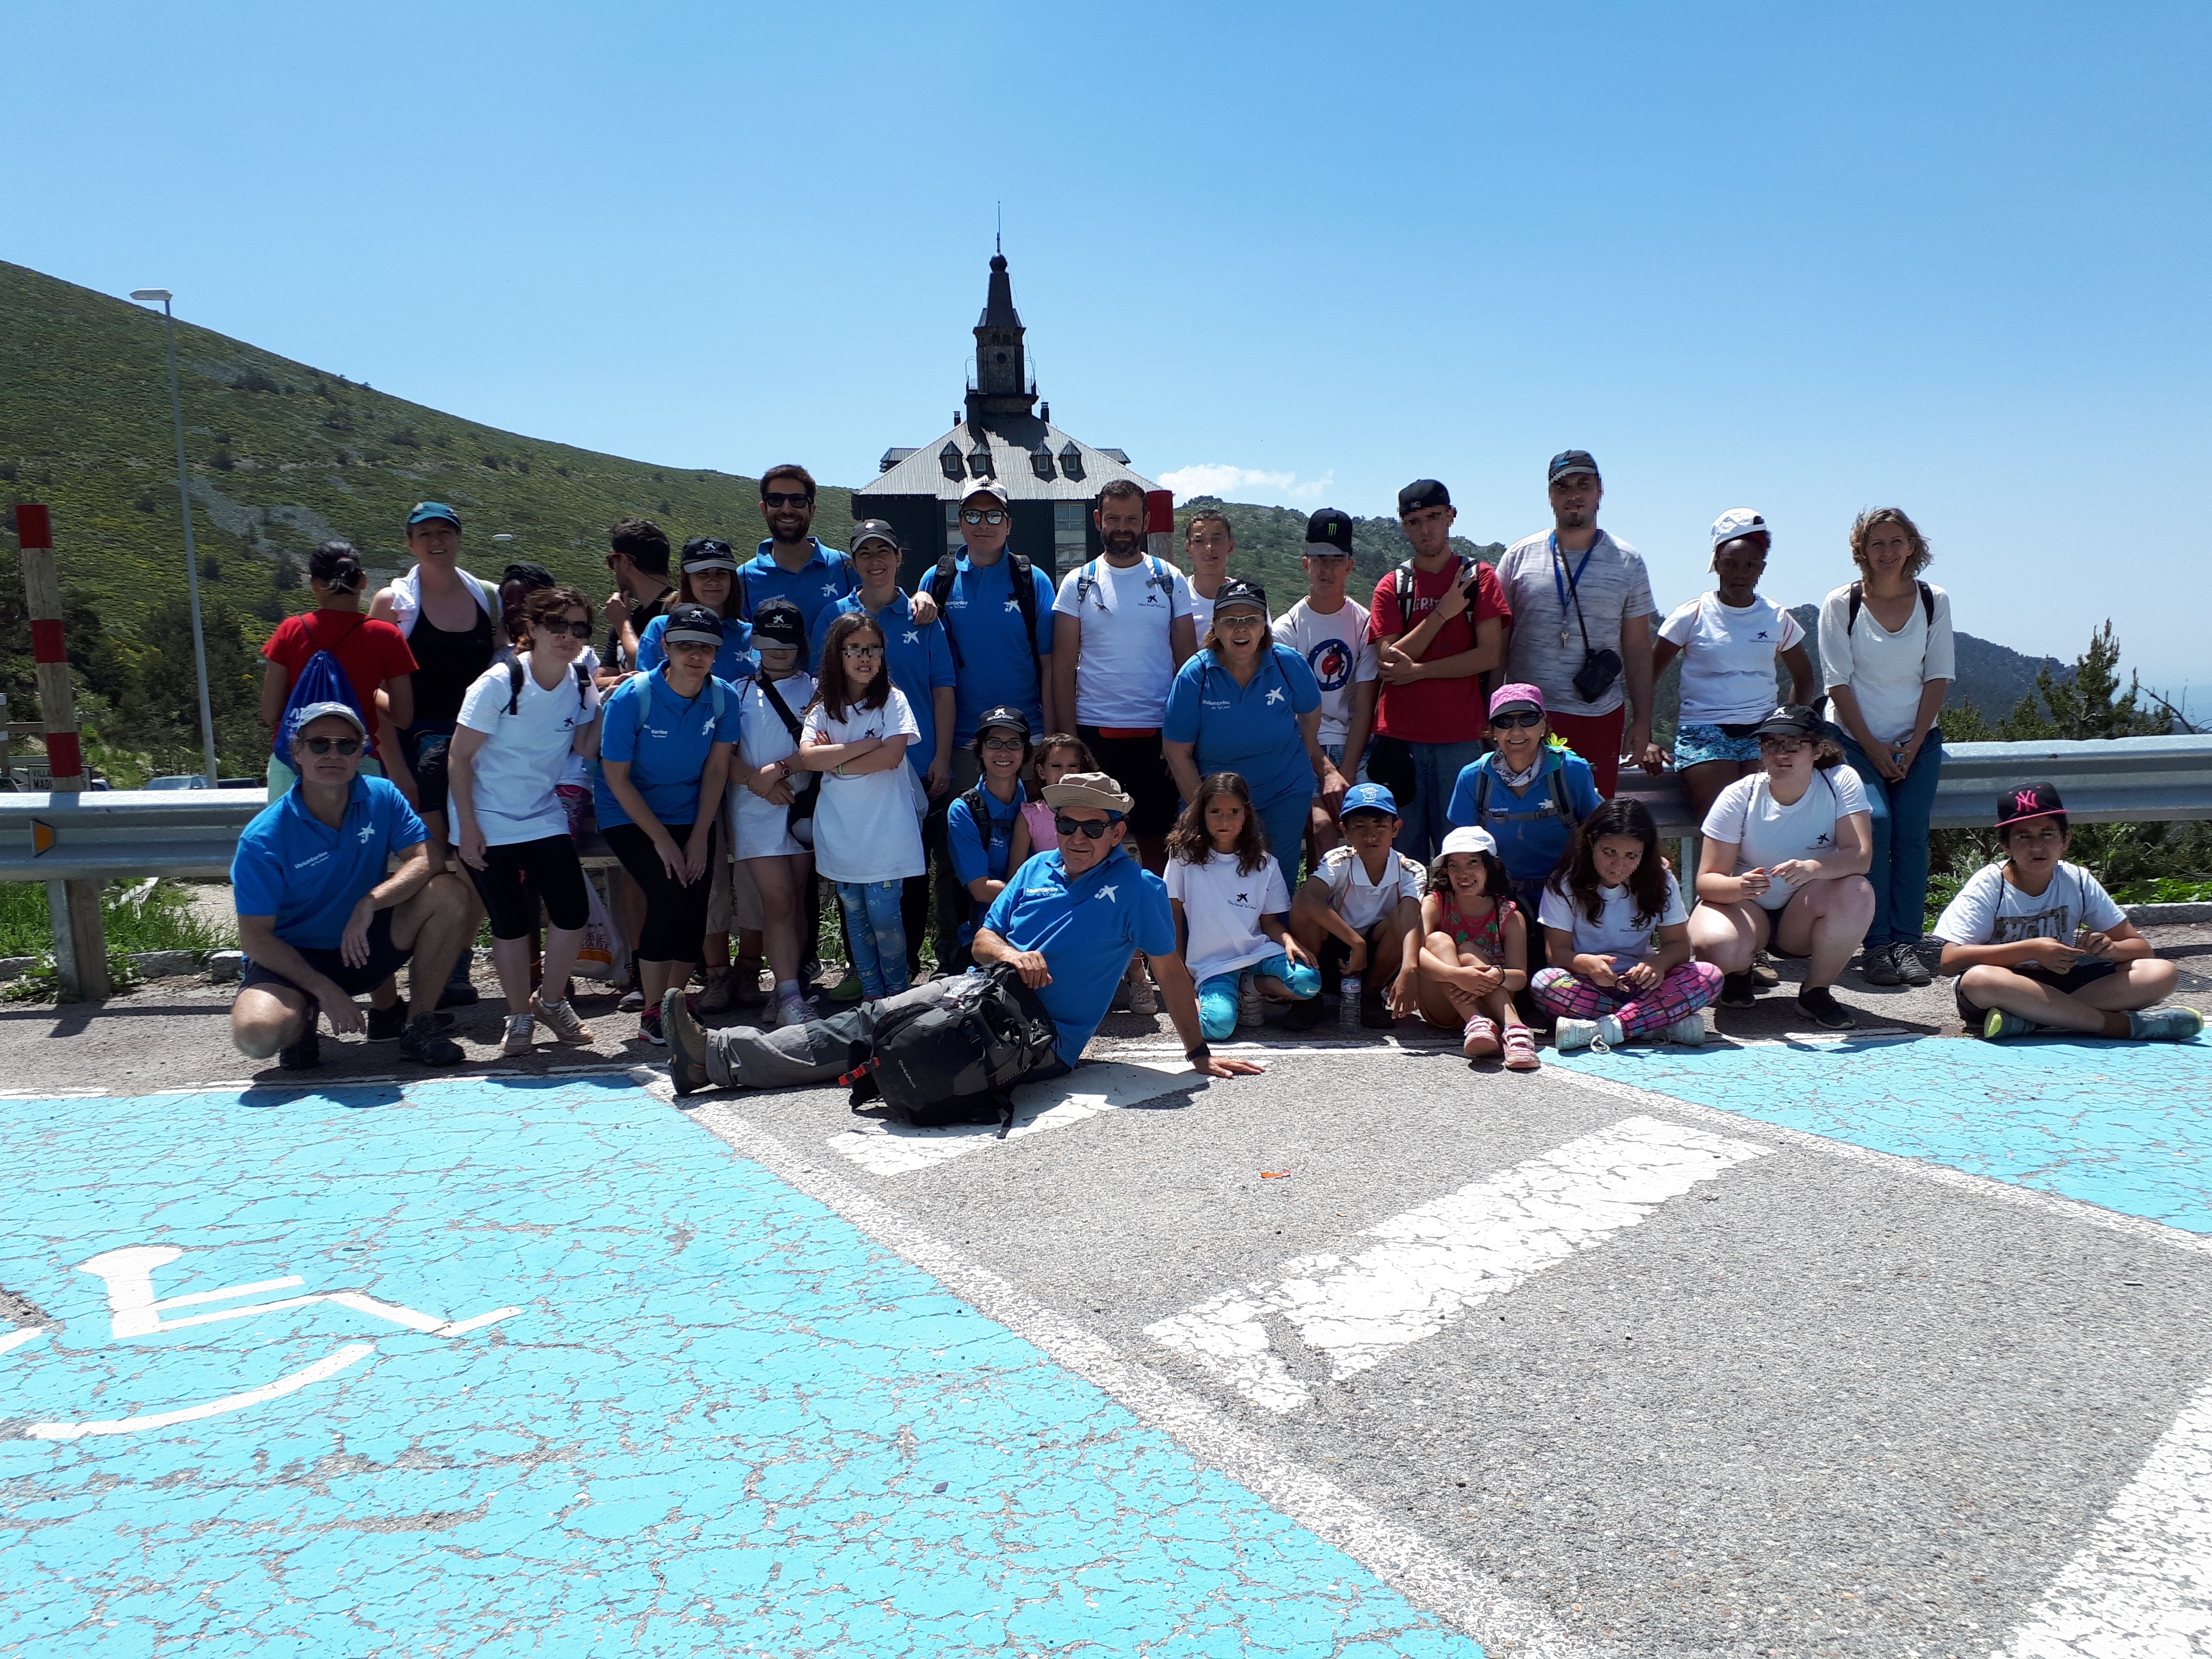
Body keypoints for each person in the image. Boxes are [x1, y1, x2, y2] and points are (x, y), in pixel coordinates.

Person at [661, 772, 1268, 1096]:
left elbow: (1170, 973)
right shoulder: (1036, 868)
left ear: (1117, 832)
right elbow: (983, 942)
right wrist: (1013, 954)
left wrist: (1197, 1054)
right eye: (1067, 824)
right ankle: (718, 1056)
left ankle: (721, 1059)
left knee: (906, 1040)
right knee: (875, 1020)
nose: (1078, 837)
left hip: (1041, 1036)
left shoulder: (1140, 889)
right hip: (980, 991)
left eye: (1094, 827)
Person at [228, 703, 471, 1069]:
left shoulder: (382, 795)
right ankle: (302, 1020)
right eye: (319, 744)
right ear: (297, 752)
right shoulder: (264, 837)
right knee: (257, 1037)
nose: (333, 754)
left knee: (449, 893)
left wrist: (370, 902)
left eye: (346, 745)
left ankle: (418, 1024)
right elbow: (255, 938)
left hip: (360, 946)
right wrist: (323, 989)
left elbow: (428, 859)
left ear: (361, 754)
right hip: (295, 960)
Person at [447, 586, 602, 1055]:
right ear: (532, 629)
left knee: (571, 912)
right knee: (512, 922)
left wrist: (603, 702)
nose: (568, 636)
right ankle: (518, 1018)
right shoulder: (499, 683)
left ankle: (551, 1003)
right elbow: (458, 758)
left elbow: (584, 748)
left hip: (541, 813)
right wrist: (468, 829)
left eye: (579, 628)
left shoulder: (581, 681)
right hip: (486, 816)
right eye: (557, 625)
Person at [1935, 783, 2200, 1043]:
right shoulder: (1990, 885)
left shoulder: (2077, 880)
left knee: (2161, 972)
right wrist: (2030, 950)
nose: (2037, 847)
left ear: (2065, 840)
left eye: (2047, 834)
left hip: (2061, 981)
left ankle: (2030, 1020)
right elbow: (1951, 960)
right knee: (1980, 979)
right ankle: (2116, 1026)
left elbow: (2141, 949)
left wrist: (2110, 949)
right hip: (2008, 985)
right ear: (2006, 845)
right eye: (2024, 837)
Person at [369, 500, 502, 1006]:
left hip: (476, 749)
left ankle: (453, 965)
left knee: (475, 860)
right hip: (413, 752)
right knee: (428, 862)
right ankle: (415, 973)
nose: (436, 542)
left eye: (445, 532)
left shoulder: (487, 598)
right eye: (425, 534)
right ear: (409, 543)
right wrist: (397, 771)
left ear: (459, 538)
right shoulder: (393, 603)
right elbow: (372, 689)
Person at [595, 602, 744, 1045]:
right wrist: (662, 840)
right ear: (666, 646)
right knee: (666, 893)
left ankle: (674, 1005)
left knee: (695, 901)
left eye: (706, 648)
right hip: (629, 811)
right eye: (684, 646)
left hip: (690, 811)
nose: (695, 656)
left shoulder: (724, 698)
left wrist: (699, 837)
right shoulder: (632, 698)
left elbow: (716, 770)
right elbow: (617, 778)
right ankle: (652, 1009)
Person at [1821, 508, 1954, 990]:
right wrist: (1874, 748)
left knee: (1913, 836)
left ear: (1912, 547)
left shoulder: (1933, 600)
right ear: (1862, 550)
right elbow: (1836, 682)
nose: (1888, 551)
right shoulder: (1843, 603)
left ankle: (1906, 942)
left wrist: (1913, 743)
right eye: (1877, 542)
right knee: (1875, 827)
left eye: (1897, 541)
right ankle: (1876, 943)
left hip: (1918, 741)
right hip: (1855, 741)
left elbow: (1938, 675)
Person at [1685, 704, 1875, 1032]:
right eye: (1771, 745)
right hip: (1747, 908)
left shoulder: (1840, 781)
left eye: (1793, 746)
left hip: (1804, 913)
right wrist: (1740, 886)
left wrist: (1813, 868)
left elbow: (1860, 857)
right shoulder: (1739, 795)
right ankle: (1739, 972)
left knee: (1858, 891)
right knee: (1716, 945)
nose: (1781, 755)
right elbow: (1707, 882)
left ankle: (1815, 991)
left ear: (1817, 751)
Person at [641, 538, 764, 1013]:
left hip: (750, 771)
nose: (713, 581)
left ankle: (749, 969)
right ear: (686, 577)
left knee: (753, 871)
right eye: (702, 572)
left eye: (721, 572)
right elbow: (652, 694)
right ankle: (715, 974)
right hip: (691, 777)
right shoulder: (661, 628)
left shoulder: (750, 634)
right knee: (705, 877)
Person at [1051, 478, 1198, 871]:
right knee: (1091, 845)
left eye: (1131, 519)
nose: (1122, 528)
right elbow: (1062, 671)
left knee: (1159, 848)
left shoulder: (1170, 580)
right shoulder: (1077, 583)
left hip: (1158, 739)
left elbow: (1188, 665)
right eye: (1113, 518)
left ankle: (1156, 911)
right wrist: (1071, 744)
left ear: (1146, 522)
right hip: (1094, 736)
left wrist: (1182, 738)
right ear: (1098, 520)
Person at [830, 520, 956, 980]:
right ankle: (860, 971)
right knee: (855, 868)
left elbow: (943, 689)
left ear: (900, 559)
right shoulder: (836, 616)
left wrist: (941, 756)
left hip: (915, 765)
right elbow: (824, 686)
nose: (875, 561)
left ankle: (905, 968)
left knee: (911, 869)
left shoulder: (924, 616)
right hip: (855, 768)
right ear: (853, 563)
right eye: (865, 553)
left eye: (884, 551)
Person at [1494, 452, 1657, 797]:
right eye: (1563, 487)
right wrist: (1490, 712)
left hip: (1598, 714)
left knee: (1594, 819)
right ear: (1550, 496)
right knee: (1529, 816)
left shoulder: (1628, 561)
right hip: (1526, 716)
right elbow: (1498, 643)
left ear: (1600, 491)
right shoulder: (1519, 557)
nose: (1574, 495)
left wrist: (1643, 721)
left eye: (1584, 485)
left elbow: (1638, 648)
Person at [1364, 480, 1511, 862]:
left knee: (1460, 858)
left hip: (1461, 739)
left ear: (1451, 516)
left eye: (1433, 518)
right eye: (1414, 522)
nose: (1425, 530)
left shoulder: (1478, 578)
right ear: (1403, 525)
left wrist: (1420, 670)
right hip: (1400, 740)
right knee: (1402, 860)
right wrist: (1442, 613)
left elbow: (1489, 655)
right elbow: (1390, 660)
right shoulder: (1393, 586)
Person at [1163, 579, 1345, 883]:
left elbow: (1311, 715)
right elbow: (1177, 752)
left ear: (1264, 626)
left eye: (1251, 619)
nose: (1241, 628)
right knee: (1217, 881)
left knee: (1277, 881)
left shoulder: (1289, 664)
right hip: (1215, 799)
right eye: (1230, 620)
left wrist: (1306, 754)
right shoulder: (1195, 675)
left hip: (1284, 792)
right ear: (1216, 627)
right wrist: (1205, 810)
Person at [1642, 509, 1817, 820]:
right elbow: (1646, 677)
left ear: (1762, 569)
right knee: (1720, 816)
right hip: (1703, 731)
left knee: (1763, 818)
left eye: (1751, 565)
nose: (1740, 573)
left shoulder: (1777, 618)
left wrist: (1790, 728)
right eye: (1731, 564)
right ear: (1717, 564)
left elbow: (1804, 678)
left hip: (1762, 731)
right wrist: (1644, 738)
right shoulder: (1692, 615)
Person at [789, 610, 926, 1000]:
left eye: (874, 649)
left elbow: (892, 757)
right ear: (837, 654)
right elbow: (808, 758)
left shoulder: (893, 701)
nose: (866, 658)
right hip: (841, 832)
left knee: (885, 914)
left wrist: (838, 761)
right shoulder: (821, 708)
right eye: (855, 649)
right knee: (856, 916)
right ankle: (871, 997)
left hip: (887, 832)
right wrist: (867, 745)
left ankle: (896, 997)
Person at [1535, 799, 1719, 1051]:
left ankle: (1607, 1028)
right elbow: (1556, 953)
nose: (1619, 865)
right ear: (1591, 842)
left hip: (1644, 986)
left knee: (1709, 976)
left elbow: (1678, 946)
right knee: (1545, 983)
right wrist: (1587, 963)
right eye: (1609, 853)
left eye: (1631, 856)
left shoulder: (1661, 880)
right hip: (1589, 983)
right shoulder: (1564, 883)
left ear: (1645, 852)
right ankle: (1655, 1024)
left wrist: (1657, 965)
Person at [1165, 771, 1322, 1040]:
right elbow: (1173, 914)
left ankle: (1250, 987)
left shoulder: (1265, 863)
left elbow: (1270, 923)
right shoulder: (1184, 858)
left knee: (1308, 983)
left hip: (1257, 954)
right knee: (1216, 1029)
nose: (1224, 821)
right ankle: (1227, 998)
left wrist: (1288, 941)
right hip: (1212, 964)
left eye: (1234, 812)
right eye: (1215, 812)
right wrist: (1181, 976)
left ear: (1246, 814)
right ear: (1202, 813)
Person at [258, 540, 416, 798]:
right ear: (362, 581)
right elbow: (403, 717)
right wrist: (369, 693)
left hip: (293, 763)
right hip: (357, 762)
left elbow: (270, 713)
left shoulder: (291, 630)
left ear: (314, 584)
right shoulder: (386, 637)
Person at [926, 478, 1059, 779]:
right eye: (973, 515)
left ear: (1009, 525)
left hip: (1026, 739)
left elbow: (1050, 667)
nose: (984, 523)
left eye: (994, 515)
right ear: (960, 523)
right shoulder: (936, 581)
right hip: (960, 741)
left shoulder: (1034, 581)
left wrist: (1050, 743)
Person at [1444, 684, 1603, 932]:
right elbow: (1463, 849)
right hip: (1497, 896)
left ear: (1543, 726)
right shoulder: (1473, 778)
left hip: (1566, 892)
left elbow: (1597, 833)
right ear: (1493, 731)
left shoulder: (1572, 771)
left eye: (1528, 719)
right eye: (1504, 722)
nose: (1516, 731)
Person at [727, 599, 817, 1030]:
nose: (779, 650)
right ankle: (790, 994)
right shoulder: (736, 691)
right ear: (755, 642)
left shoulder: (818, 690)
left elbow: (823, 748)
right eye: (769, 641)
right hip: (753, 810)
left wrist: (780, 773)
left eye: (787, 641)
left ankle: (788, 988)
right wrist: (756, 780)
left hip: (802, 810)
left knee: (796, 900)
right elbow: (721, 757)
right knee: (777, 899)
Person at [1274, 508, 1379, 864]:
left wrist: (1344, 773)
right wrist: (1327, 771)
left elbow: (1364, 706)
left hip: (1355, 748)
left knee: (1370, 827)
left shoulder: (1365, 625)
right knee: (1322, 829)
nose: (1326, 569)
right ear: (1306, 564)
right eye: (1319, 559)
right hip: (1304, 747)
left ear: (1350, 566)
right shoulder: (1287, 628)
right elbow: (1291, 713)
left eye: (1336, 560)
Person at [1286, 782, 1426, 1032]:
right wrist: (1356, 943)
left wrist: (1410, 967)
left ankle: (1370, 996)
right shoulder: (1340, 860)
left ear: (1395, 829)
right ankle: (1309, 995)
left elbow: (1409, 916)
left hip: (1378, 959)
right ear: (1345, 831)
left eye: (1380, 826)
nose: (1371, 835)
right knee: (1303, 907)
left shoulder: (1411, 869)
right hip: (1334, 952)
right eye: (1360, 827)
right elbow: (1305, 900)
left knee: (1407, 918)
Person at [1416, 825, 1539, 1070]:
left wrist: (1496, 975)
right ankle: (1477, 1022)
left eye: (1473, 863)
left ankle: (1513, 1029)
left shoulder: (1510, 916)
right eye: (1455, 866)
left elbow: (1520, 978)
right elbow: (1413, 954)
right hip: (1442, 1005)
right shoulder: (1435, 903)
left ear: (1492, 867)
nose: (1463, 873)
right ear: (1446, 871)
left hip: (1489, 1002)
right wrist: (1457, 975)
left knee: (1470, 951)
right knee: (1437, 940)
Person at [944, 705, 1031, 964]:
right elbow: (981, 890)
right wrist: (1042, 895)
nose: (1004, 752)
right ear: (980, 750)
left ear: (1025, 752)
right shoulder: (964, 810)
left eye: (1014, 743)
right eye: (994, 743)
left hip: (1036, 923)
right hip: (985, 932)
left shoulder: (1038, 802)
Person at [597, 517, 676, 687]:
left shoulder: (679, 612)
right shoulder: (626, 615)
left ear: (625, 561)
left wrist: (623, 626)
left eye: (612, 562)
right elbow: (598, 679)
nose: (614, 571)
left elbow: (653, 674)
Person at [1008, 732, 1096, 873]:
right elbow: (1016, 874)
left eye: (1073, 765)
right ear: (1042, 772)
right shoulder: (1029, 816)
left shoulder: (1097, 810)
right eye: (1056, 766)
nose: (1066, 773)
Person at [1183, 508, 1236, 641]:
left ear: (1230, 546)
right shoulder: (1176, 596)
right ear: (1188, 548)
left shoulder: (1247, 596)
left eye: (1217, 540)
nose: (1209, 548)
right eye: (1199, 541)